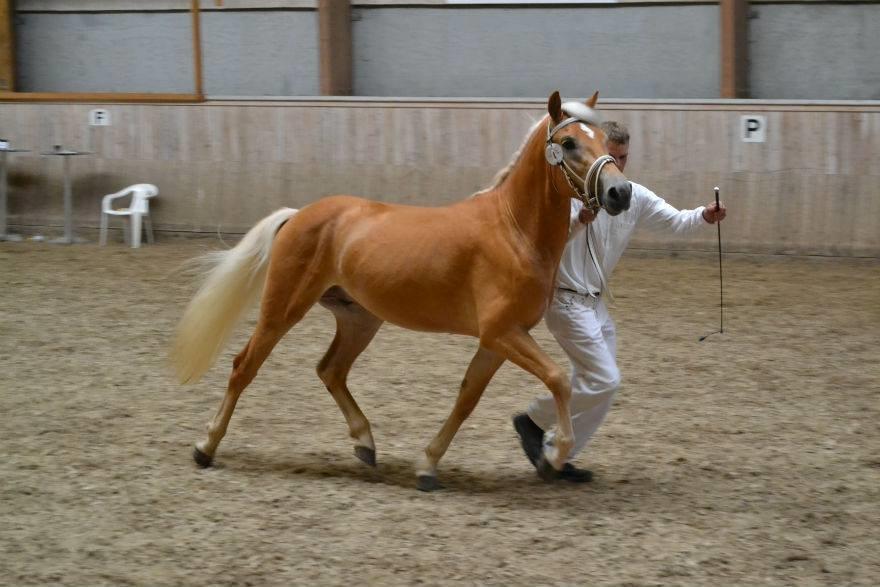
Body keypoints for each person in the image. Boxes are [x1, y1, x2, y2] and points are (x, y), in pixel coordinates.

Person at [513, 121, 727, 482]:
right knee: (606, 380)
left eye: (623, 158)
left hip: (596, 306)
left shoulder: (633, 196)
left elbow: (675, 221)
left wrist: (704, 215)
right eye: (611, 156)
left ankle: (556, 458)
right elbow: (547, 244)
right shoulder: (569, 195)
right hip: (564, 302)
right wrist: (581, 219)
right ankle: (533, 419)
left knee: (604, 389)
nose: (617, 165)